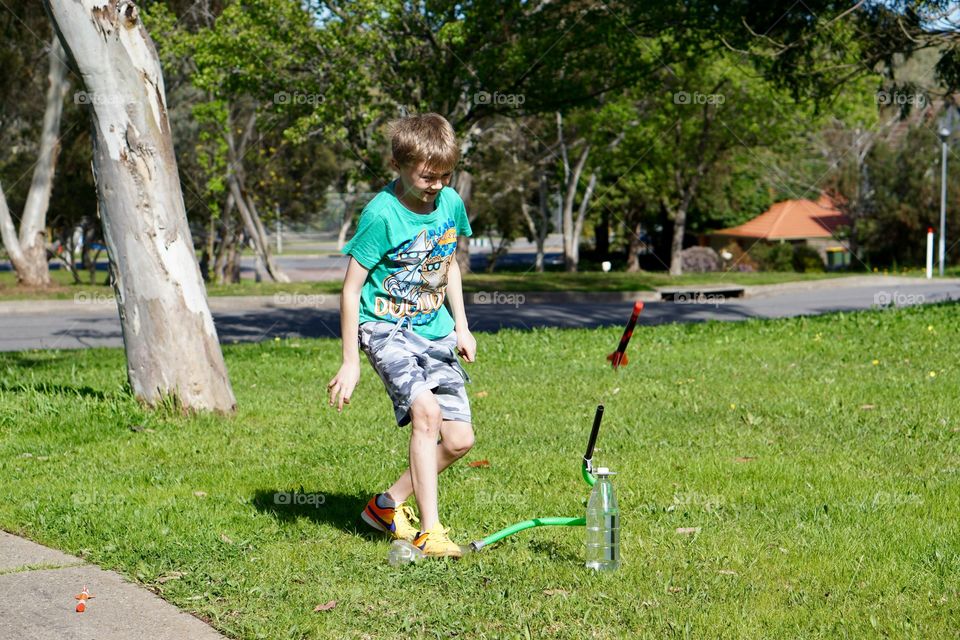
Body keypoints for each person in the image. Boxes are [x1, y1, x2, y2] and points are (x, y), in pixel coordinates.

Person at [327, 113, 476, 558]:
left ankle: (386, 506)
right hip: (385, 329)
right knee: (426, 415)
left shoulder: (450, 203)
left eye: (445, 175)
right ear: (399, 164)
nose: (437, 185)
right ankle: (432, 532)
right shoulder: (381, 215)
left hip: (436, 330)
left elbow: (447, 264)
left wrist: (463, 326)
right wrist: (351, 360)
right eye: (428, 176)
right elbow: (351, 289)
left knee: (459, 440)